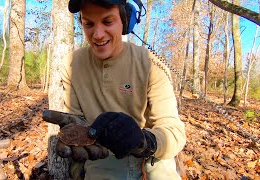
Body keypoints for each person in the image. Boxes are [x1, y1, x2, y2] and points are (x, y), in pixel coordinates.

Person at [59, 0, 186, 179]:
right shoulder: (72, 64)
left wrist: (144, 142)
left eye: (107, 22)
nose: (98, 34)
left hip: (151, 155)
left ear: (124, 21)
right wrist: (72, 135)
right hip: (102, 156)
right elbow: (75, 120)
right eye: (89, 24)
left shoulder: (152, 64)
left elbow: (174, 131)